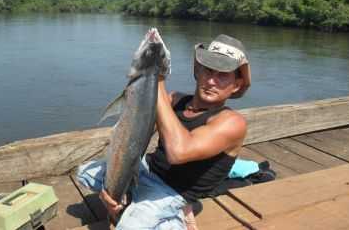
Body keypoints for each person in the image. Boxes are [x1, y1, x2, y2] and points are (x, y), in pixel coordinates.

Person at [99, 34, 251, 229]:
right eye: (208, 71)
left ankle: (179, 210)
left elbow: (178, 153)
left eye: (222, 75)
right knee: (85, 173)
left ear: (236, 85)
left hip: (173, 192)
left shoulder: (232, 122)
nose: (211, 81)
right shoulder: (175, 100)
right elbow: (136, 133)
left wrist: (156, 78)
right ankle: (141, 205)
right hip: (149, 171)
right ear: (198, 71)